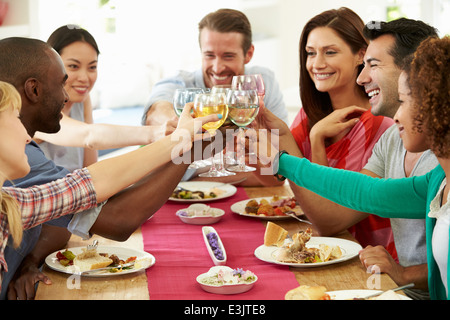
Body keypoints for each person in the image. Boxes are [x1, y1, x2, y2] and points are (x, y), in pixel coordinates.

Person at [0, 37, 212, 300]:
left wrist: (180, 144)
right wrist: (178, 143)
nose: (29, 138)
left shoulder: (16, 204)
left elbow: (83, 187)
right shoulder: (21, 184)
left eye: (92, 67)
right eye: (13, 117)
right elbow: (102, 202)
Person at [258, 18, 439, 299]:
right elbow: (360, 196)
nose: (361, 77)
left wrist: (282, 160)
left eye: (373, 64)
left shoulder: (433, 160)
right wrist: (283, 139)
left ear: (415, 72)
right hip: (396, 291)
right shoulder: (393, 138)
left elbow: (371, 196)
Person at [289, 7, 396, 257]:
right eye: (310, 53)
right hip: (331, 251)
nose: (317, 64)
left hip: (371, 259)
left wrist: (317, 141)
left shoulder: (380, 123)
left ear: (361, 54)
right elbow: (277, 172)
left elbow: (329, 214)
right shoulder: (308, 113)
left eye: (330, 52)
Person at [141, 8, 288, 187]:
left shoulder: (260, 86)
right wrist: (176, 122)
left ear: (248, 54)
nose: (217, 68)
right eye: (209, 55)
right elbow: (156, 112)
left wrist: (194, 177)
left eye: (228, 56)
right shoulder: (182, 83)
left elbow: (276, 174)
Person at [34, 25, 175, 172]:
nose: (84, 78)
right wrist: (156, 132)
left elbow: (90, 169)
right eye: (73, 66)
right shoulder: (37, 108)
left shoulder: (82, 100)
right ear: (50, 66)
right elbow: (89, 136)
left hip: (76, 191)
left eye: (92, 67)